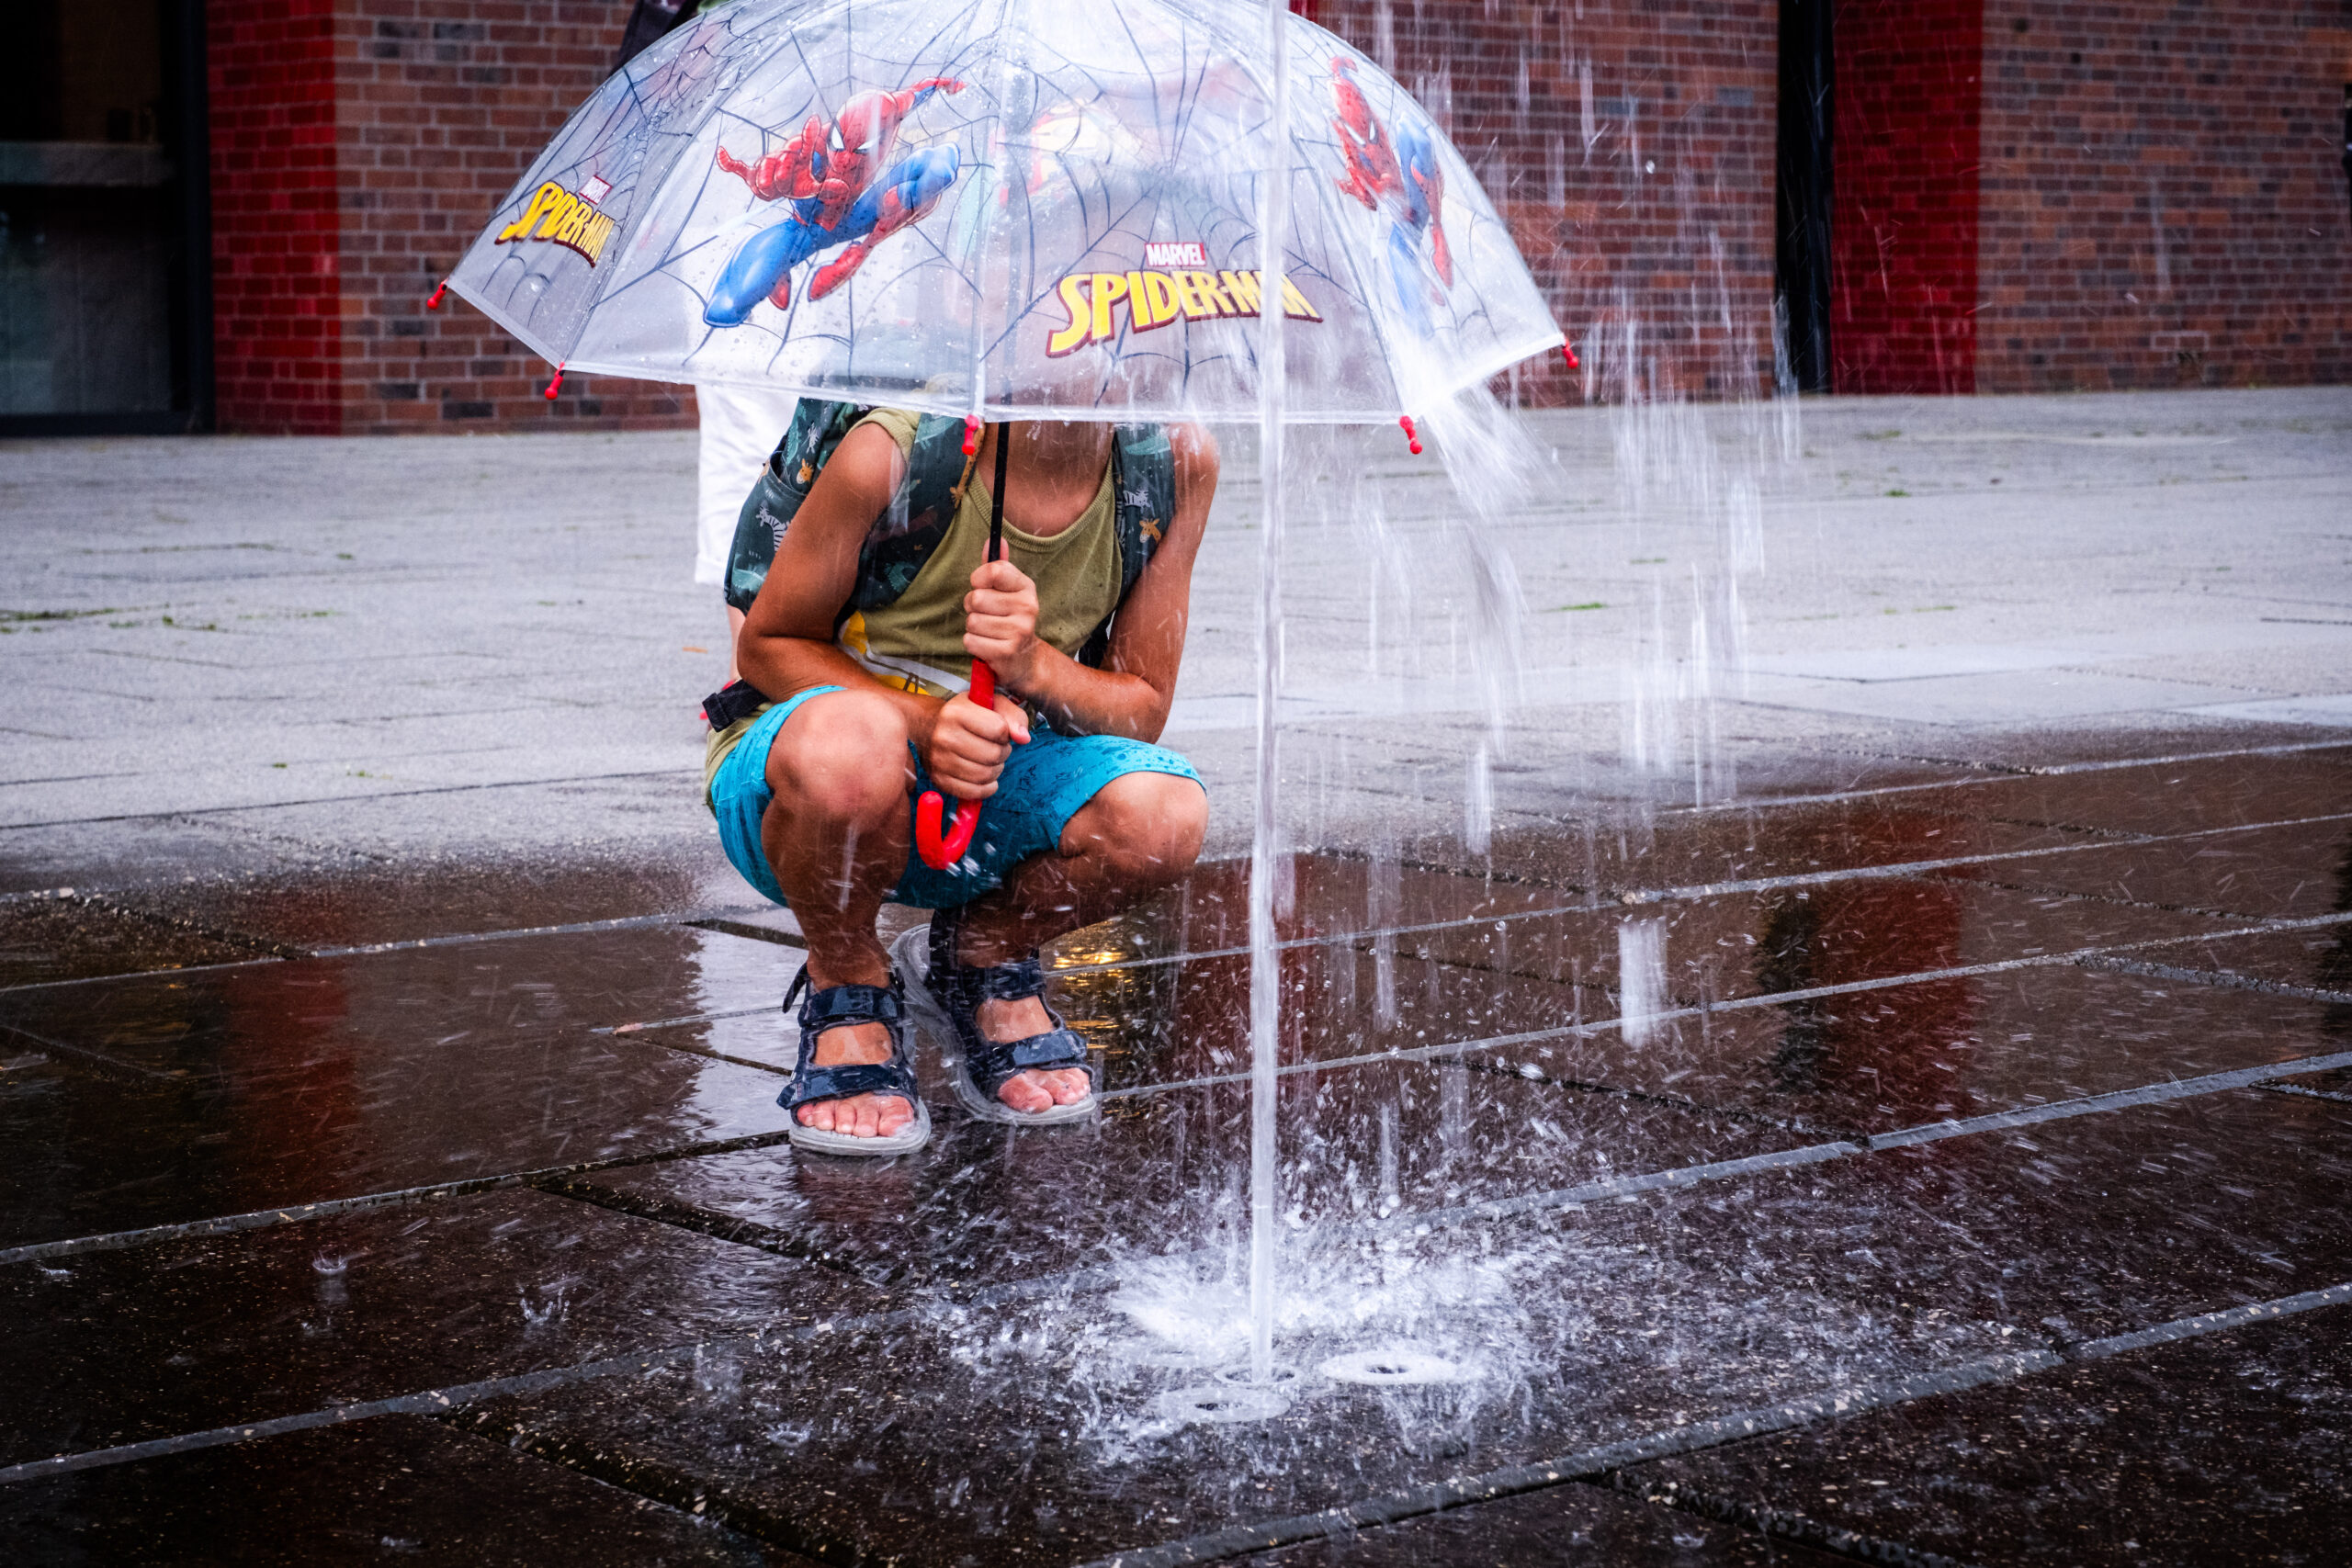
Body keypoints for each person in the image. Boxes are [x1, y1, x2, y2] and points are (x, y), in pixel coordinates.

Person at [702, 412, 1215, 1155]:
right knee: (857, 746)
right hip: (813, 785)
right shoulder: (892, 453)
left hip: (992, 791)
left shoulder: (1171, 462)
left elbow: (1141, 707)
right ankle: (847, 973)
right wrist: (926, 722)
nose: (1085, 325)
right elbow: (767, 645)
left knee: (1163, 813)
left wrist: (1034, 665)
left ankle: (980, 954)